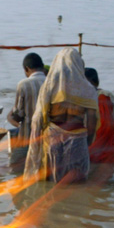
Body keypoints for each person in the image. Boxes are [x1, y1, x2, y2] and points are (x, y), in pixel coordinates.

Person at [23, 48, 98, 182]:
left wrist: (36, 147)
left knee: (50, 180)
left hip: (53, 139)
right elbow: (92, 125)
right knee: (76, 183)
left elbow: (38, 118)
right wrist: (85, 145)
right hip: (78, 139)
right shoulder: (88, 89)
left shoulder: (49, 87)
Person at [7, 53, 46, 172]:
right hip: (49, 136)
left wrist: (10, 116)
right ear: (42, 66)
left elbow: (19, 114)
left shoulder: (24, 84)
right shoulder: (53, 82)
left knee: (15, 168)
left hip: (27, 136)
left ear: (26, 69)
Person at [85, 67, 114, 165]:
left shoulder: (102, 97)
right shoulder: (90, 97)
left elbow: (106, 128)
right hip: (103, 145)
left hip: (104, 147)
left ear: (92, 82)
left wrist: (88, 149)